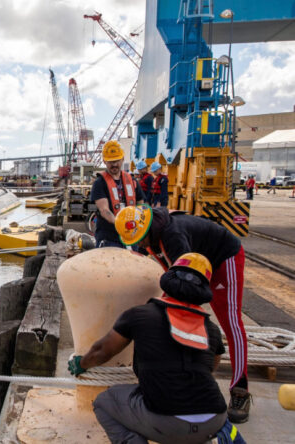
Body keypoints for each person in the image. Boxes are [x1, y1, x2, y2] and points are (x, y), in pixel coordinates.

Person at [69, 252, 232, 444]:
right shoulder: (211, 329)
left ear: (168, 280)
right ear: (203, 290)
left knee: (104, 402)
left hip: (167, 423)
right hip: (215, 420)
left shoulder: (140, 315)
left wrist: (83, 363)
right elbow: (211, 366)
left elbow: (103, 350)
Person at [115, 205, 252, 423]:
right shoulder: (151, 237)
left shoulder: (173, 237)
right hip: (197, 264)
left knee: (231, 321)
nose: (139, 245)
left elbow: (185, 286)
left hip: (224, 259)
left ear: (148, 229)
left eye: (140, 239)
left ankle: (240, 390)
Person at [90, 140, 145, 248]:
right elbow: (104, 210)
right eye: (111, 162)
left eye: (117, 161)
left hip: (131, 236)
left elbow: (141, 204)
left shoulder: (132, 181)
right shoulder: (99, 183)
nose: (114, 164)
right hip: (109, 237)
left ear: (122, 159)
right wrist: (120, 224)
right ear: (104, 161)